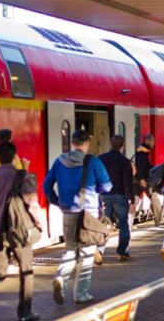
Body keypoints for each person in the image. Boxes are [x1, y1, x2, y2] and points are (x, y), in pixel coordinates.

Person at [43, 130, 112, 304]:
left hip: (67, 212)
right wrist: (96, 189)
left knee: (70, 249)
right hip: (88, 214)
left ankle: (61, 278)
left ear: (73, 143)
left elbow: (46, 184)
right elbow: (107, 186)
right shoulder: (93, 161)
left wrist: (56, 201)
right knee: (87, 252)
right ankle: (81, 294)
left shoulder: (59, 161)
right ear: (86, 144)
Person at [0, 142, 41, 321]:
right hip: (18, 231)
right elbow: (31, 202)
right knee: (26, 270)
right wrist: (38, 224)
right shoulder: (21, 176)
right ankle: (25, 312)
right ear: (15, 157)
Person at [97, 135, 135, 261]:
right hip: (120, 196)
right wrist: (132, 201)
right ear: (122, 146)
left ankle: (99, 250)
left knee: (104, 223)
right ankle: (122, 252)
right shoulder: (125, 162)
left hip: (104, 196)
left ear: (110, 144)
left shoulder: (101, 159)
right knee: (124, 224)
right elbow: (128, 183)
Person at [133, 134, 162, 226]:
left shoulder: (142, 150)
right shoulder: (142, 152)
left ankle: (128, 221)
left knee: (135, 199)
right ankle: (158, 220)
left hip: (138, 179)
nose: (154, 143)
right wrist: (142, 179)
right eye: (152, 141)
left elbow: (145, 166)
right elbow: (140, 166)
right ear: (148, 141)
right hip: (143, 179)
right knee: (154, 197)